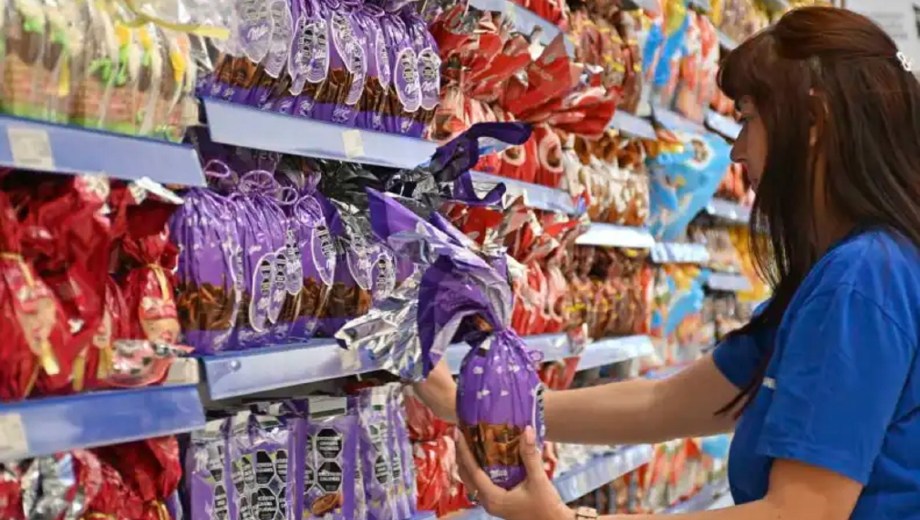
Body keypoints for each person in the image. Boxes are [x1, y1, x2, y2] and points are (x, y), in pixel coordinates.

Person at [413, 6, 920, 519]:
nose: (737, 152)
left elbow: (801, 511)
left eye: (747, 118)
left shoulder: (862, 280)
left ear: (814, 121)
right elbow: (664, 405)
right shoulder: (849, 273)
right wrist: (478, 407)